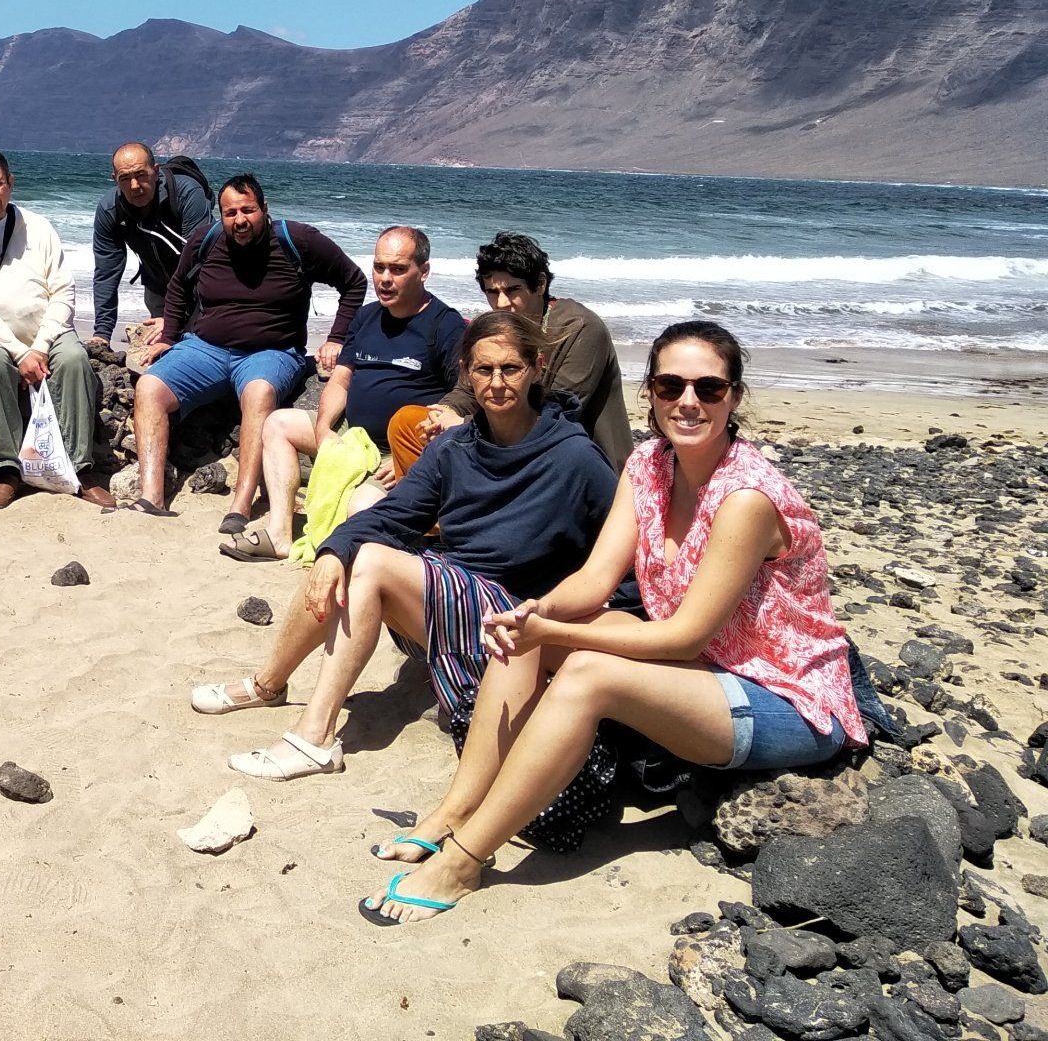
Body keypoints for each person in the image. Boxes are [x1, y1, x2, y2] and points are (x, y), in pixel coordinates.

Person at [358, 320, 867, 924]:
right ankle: (453, 813)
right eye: (670, 385)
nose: (688, 401)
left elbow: (684, 635)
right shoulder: (648, 464)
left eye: (708, 388)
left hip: (786, 696)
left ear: (733, 397)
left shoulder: (746, 499)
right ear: (650, 392)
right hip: (707, 666)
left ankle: (463, 861)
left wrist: (557, 634)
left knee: (587, 675)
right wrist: (537, 613)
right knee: (521, 641)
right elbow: (596, 579)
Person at [197, 311, 614, 783]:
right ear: (466, 372)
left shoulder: (574, 456)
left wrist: (572, 641)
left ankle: (315, 737)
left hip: (516, 626)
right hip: (455, 604)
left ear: (537, 367)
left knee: (370, 561)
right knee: (346, 553)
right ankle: (268, 684)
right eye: (484, 369)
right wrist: (332, 551)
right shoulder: (455, 447)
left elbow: (621, 559)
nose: (497, 383)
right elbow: (394, 515)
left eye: (510, 369)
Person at [128, 173, 366, 526]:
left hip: (270, 352)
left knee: (258, 393)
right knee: (149, 387)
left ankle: (240, 505)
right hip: (205, 348)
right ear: (221, 215)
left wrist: (337, 337)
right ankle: (151, 497)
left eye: (247, 210)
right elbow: (178, 285)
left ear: (264, 209)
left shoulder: (297, 240)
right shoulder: (206, 239)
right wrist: (169, 335)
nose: (239, 220)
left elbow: (354, 281)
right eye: (230, 213)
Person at [223, 225, 464, 562]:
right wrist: (324, 428)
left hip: (396, 453)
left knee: (360, 508)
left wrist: (411, 459)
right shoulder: (367, 316)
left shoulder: (445, 325)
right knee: (277, 424)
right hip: (352, 435)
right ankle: (279, 534)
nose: (385, 279)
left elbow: (459, 403)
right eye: (379, 267)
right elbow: (340, 379)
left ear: (423, 271)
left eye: (397, 269)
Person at [0, 144, 114, 510]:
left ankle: (80, 469)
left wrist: (41, 347)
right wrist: (21, 354)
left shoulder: (39, 227)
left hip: (47, 332)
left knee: (74, 359)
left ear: (11, 184)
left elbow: (63, 291)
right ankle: (7, 470)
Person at [410, 231, 631, 472]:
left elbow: (559, 411)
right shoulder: (493, 328)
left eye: (512, 290)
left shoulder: (580, 328)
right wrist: (445, 411)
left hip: (574, 462)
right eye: (492, 292)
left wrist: (463, 423)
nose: (501, 303)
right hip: (505, 447)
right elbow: (466, 389)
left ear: (540, 284)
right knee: (411, 421)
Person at [90, 143, 214, 349]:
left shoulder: (187, 193)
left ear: (156, 171)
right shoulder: (110, 209)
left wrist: (172, 321)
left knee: (196, 347)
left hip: (199, 286)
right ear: (115, 179)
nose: (134, 186)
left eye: (141, 175)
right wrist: (102, 334)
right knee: (160, 350)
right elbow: (106, 272)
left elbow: (197, 263)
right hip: (156, 286)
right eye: (125, 178)